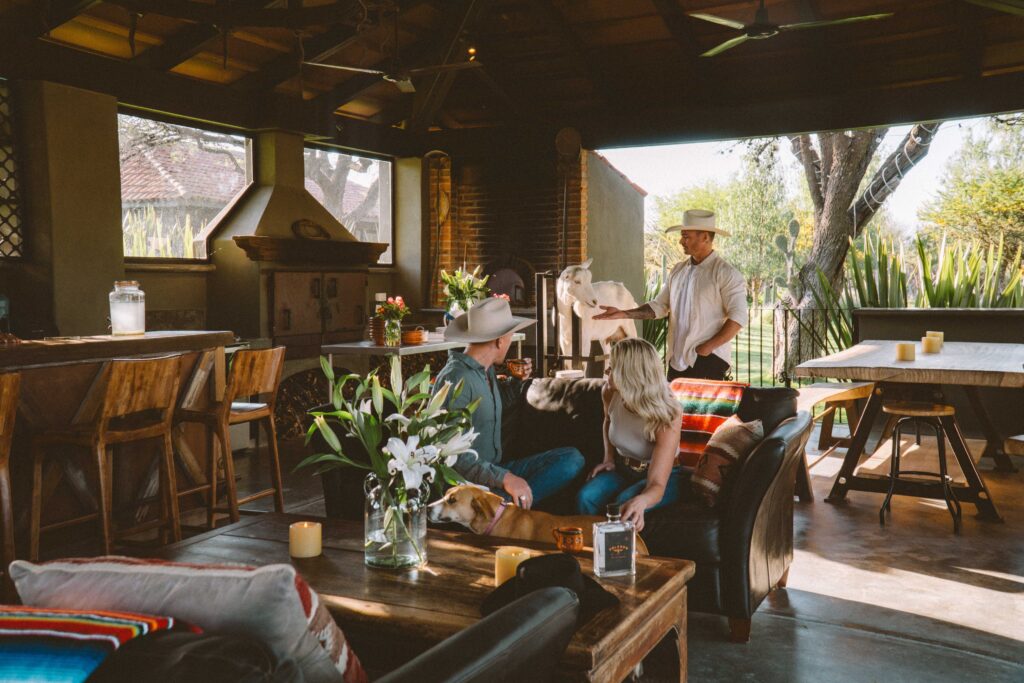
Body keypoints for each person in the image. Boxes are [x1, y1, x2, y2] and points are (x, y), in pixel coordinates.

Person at [436, 297, 585, 510]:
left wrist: (517, 382)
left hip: (495, 472)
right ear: (499, 341)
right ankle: (501, 511)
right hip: (469, 484)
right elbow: (451, 456)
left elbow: (493, 407)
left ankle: (505, 509)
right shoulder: (457, 379)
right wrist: (505, 478)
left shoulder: (486, 370)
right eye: (510, 336)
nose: (511, 340)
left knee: (571, 459)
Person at [594, 209, 747, 381]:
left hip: (708, 360)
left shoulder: (726, 273)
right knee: (673, 408)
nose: (681, 241)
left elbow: (738, 317)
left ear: (705, 237)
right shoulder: (678, 271)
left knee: (702, 409)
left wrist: (706, 348)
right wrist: (624, 313)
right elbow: (659, 306)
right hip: (676, 361)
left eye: (686, 236)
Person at [575, 338, 682, 531]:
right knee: (586, 497)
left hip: (663, 477)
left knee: (625, 505)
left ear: (630, 373)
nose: (607, 371)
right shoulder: (610, 391)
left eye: (612, 367)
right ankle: (589, 552)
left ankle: (619, 558)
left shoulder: (667, 413)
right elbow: (608, 421)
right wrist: (608, 458)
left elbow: (656, 485)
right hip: (623, 469)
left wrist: (642, 501)